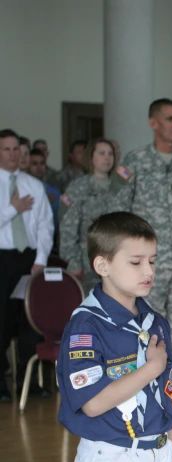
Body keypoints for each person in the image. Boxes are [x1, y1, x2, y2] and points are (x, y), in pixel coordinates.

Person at [56, 212, 172, 462]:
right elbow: (93, 403)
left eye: (152, 261)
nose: (148, 271)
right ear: (103, 266)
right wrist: (150, 368)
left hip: (157, 452)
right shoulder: (86, 326)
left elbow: (168, 395)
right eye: (136, 262)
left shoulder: (154, 321)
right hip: (112, 457)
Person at [108, 98, 172, 422]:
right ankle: (137, 393)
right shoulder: (134, 162)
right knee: (142, 328)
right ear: (153, 123)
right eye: (170, 119)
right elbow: (116, 210)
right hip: (145, 264)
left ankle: (169, 397)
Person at [0, 129, 54, 402]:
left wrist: (41, 260)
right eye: (7, 149)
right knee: (2, 321)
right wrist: (13, 208)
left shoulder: (33, 184)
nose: (14, 155)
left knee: (31, 322)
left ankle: (29, 383)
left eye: (17, 149)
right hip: (2, 257)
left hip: (30, 259)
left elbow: (45, 225)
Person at [59, 139, 119, 292]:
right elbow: (68, 228)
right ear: (91, 157)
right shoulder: (78, 187)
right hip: (88, 264)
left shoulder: (120, 187)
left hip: (118, 260)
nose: (107, 158)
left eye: (110, 154)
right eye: (101, 153)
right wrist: (73, 261)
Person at [29, 148, 61, 222]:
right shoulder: (22, 188)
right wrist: (45, 201)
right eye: (34, 163)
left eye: (42, 163)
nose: (39, 168)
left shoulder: (54, 191)